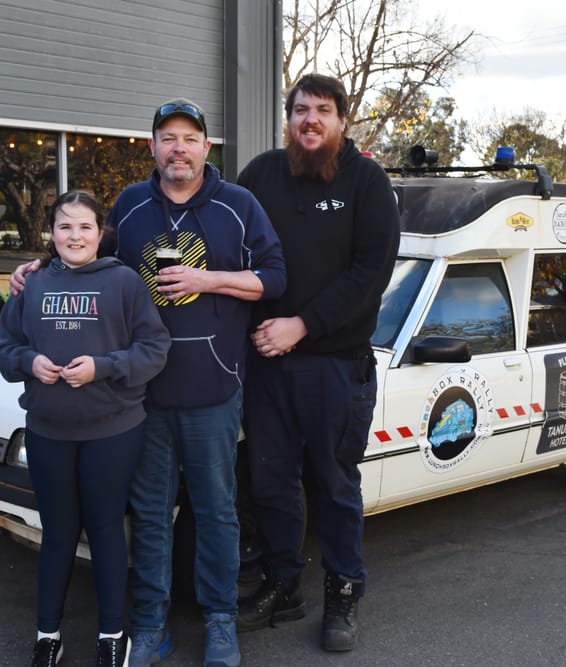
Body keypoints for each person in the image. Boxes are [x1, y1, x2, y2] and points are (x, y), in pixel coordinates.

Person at [10, 99, 286, 667]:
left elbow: (275, 279)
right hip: (141, 398)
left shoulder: (239, 206)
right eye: (167, 137)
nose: (178, 147)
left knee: (216, 511)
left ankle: (219, 622)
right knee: (152, 516)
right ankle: (150, 625)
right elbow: (89, 257)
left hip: (214, 388)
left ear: (207, 148)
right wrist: (39, 266)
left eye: (189, 137)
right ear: (153, 148)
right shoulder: (131, 205)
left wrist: (208, 279)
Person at [235, 73, 400, 652]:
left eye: (323, 111)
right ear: (288, 118)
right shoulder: (260, 175)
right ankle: (284, 585)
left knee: (333, 485)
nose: (310, 120)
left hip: (334, 365)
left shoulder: (368, 183)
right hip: (267, 366)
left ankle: (344, 593)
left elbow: (369, 276)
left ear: (342, 121)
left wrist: (300, 326)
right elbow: (218, 238)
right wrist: (84, 258)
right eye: (300, 109)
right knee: (271, 482)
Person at [0, 190, 171, 667]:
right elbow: (3, 350)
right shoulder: (31, 286)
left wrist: (104, 367)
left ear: (100, 233)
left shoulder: (125, 283)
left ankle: (113, 634)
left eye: (85, 226)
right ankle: (48, 634)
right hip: (49, 431)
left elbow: (155, 348)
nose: (75, 235)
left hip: (113, 431)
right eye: (65, 226)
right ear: (51, 234)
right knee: (58, 533)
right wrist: (30, 361)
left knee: (107, 529)